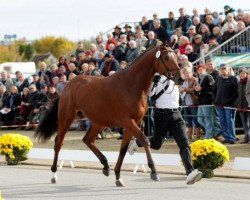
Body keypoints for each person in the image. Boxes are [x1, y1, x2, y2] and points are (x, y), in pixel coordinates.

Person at [128, 74, 203, 185]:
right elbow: (150, 94)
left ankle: (190, 172)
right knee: (157, 144)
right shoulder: (155, 78)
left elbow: (183, 85)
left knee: (184, 143)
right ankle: (138, 142)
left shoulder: (176, 78)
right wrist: (153, 82)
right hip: (161, 115)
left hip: (177, 114)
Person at [212, 64, 238, 144]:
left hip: (229, 105)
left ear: (229, 70)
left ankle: (232, 138)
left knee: (229, 121)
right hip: (219, 104)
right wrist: (215, 100)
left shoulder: (234, 79)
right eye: (221, 69)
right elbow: (213, 90)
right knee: (222, 121)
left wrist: (229, 101)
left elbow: (236, 93)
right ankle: (226, 137)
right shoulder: (218, 78)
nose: (223, 70)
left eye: (224, 68)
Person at [236, 68, 250, 144]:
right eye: (241, 73)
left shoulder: (249, 82)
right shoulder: (238, 83)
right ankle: (246, 137)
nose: (242, 75)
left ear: (246, 74)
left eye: (244, 73)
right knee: (244, 123)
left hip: (248, 105)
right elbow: (237, 94)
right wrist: (237, 103)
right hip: (240, 106)